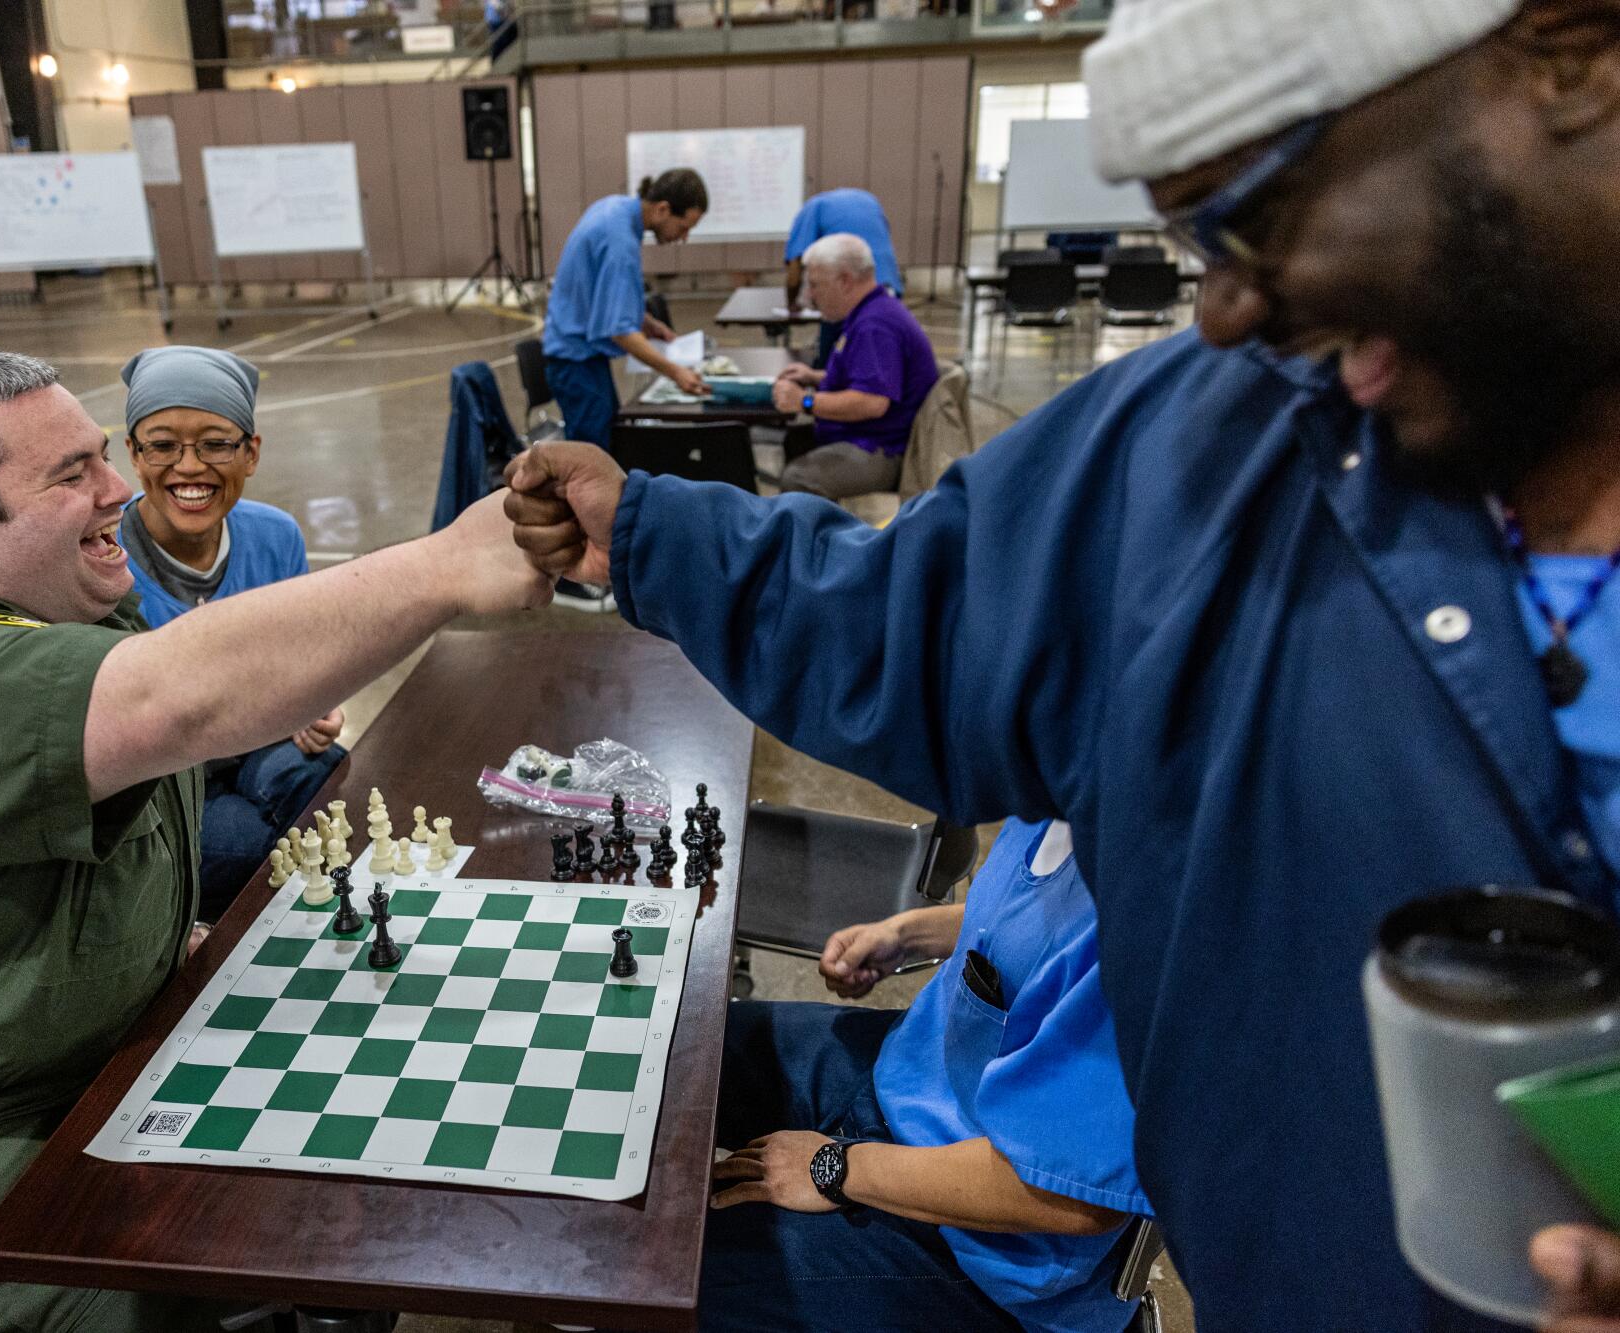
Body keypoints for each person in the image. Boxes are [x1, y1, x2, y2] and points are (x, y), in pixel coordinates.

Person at [502, 0, 1620, 1325]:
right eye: (1195, 240)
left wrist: (851, 1171)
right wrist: (652, 531)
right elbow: (902, 621)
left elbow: (1070, 1183)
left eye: (1261, 206)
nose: (1223, 306)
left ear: (1568, 58)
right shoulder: (1219, 436)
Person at [0, 351, 550, 1333]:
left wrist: (148, 946)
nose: (119, 487)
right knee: (297, 1222)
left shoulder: (61, 601)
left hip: (45, 1079)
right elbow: (168, 697)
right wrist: (444, 567)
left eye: (100, 455)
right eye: (71, 474)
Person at [703, 819, 1150, 1333]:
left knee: (675, 1281)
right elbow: (1032, 918)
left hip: (981, 1250)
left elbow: (1070, 1199)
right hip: (910, 1077)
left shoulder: (1143, 917)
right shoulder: (1056, 800)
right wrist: (911, 933)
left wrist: (835, 1167)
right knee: (685, 1046)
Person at [113, 346, 344, 920]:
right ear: (134, 456)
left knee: (322, 777)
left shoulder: (275, 536)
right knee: (239, 844)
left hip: (257, 742)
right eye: (163, 445)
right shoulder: (104, 562)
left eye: (216, 443)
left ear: (251, 453)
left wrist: (314, 704)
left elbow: (301, 663)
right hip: (162, 780)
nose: (189, 467)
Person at [541, 168, 711, 453]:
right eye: (683, 227)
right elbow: (620, 331)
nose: (683, 238)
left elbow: (598, 291)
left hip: (577, 358)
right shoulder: (620, 243)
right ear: (662, 209)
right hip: (576, 363)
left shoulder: (614, 209)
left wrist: (645, 320)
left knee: (609, 443)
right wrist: (676, 372)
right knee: (593, 461)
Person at [768, 234, 940, 500]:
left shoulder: (875, 326)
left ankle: (822, 539)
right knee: (796, 441)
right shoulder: (873, 311)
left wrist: (805, 401)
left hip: (884, 449)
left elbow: (872, 402)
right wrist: (815, 377)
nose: (810, 296)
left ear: (845, 281)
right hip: (875, 436)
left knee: (799, 479)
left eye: (815, 285)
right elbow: (869, 377)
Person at [782, 187, 904, 367]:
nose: (812, 294)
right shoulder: (868, 200)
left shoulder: (811, 210)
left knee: (833, 361)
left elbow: (794, 269)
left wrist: (791, 304)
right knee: (872, 358)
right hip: (888, 282)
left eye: (814, 286)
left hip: (854, 290)